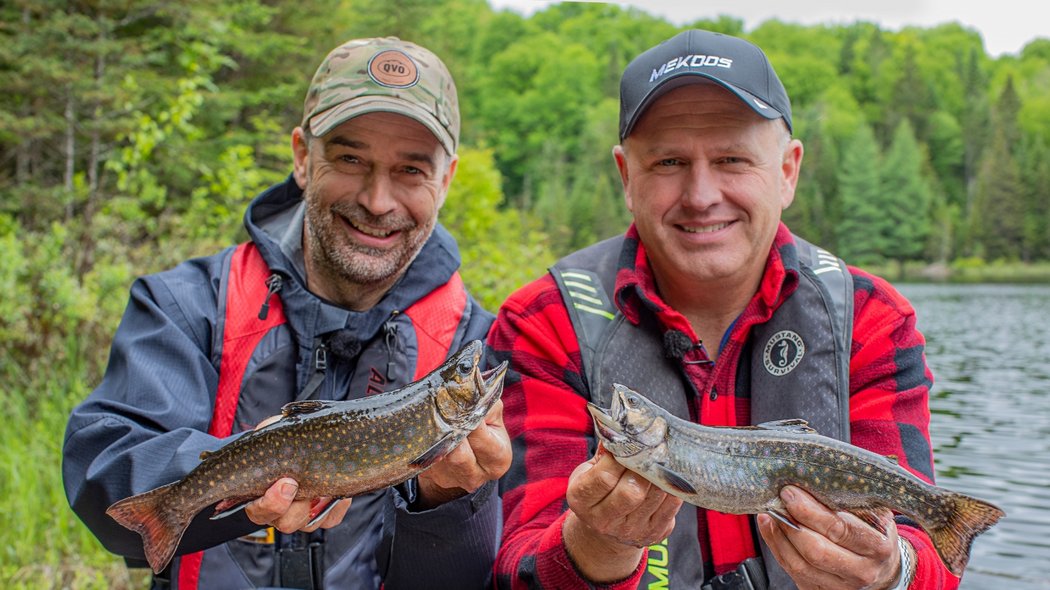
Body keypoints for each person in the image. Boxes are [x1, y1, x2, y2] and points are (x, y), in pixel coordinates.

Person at [489, 29, 960, 590]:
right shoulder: (543, 323)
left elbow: (929, 559)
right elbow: (516, 567)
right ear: (626, 177)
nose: (701, 194)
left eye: (732, 159)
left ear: (787, 171)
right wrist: (596, 546)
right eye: (668, 162)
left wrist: (889, 571)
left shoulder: (872, 320)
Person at [63, 36, 511, 590]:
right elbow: (102, 479)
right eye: (350, 158)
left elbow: (489, 570)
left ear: (446, 180)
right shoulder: (187, 305)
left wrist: (449, 503)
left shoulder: (483, 339)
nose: (377, 200)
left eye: (411, 171)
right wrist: (252, 462)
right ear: (303, 157)